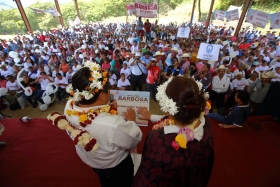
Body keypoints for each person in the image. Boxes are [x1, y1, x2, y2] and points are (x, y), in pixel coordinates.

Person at [61, 61, 142, 187]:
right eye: (108, 88)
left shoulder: (70, 106)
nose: (110, 91)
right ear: (102, 96)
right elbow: (133, 139)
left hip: (93, 160)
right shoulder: (113, 124)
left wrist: (107, 109)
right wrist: (131, 121)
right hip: (114, 168)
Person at [132, 76, 214, 186]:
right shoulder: (203, 119)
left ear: (168, 109)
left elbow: (147, 179)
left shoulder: (159, 140)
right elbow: (177, 119)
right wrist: (151, 117)